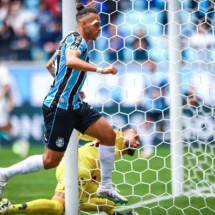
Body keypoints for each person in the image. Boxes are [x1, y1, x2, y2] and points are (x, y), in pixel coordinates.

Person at [0, 3, 126, 204]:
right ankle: (4, 174)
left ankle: (106, 186)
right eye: (95, 24)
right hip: (60, 107)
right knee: (51, 160)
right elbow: (70, 61)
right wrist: (101, 70)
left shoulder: (68, 37)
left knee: (108, 135)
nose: (99, 28)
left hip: (74, 103)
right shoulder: (77, 41)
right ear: (83, 24)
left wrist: (71, 84)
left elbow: (50, 65)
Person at [0, 129, 140, 215]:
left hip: (83, 171)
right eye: (135, 137)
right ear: (125, 132)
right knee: (58, 207)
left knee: (109, 204)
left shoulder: (111, 153)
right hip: (79, 168)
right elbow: (85, 132)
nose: (138, 142)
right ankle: (10, 208)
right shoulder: (115, 136)